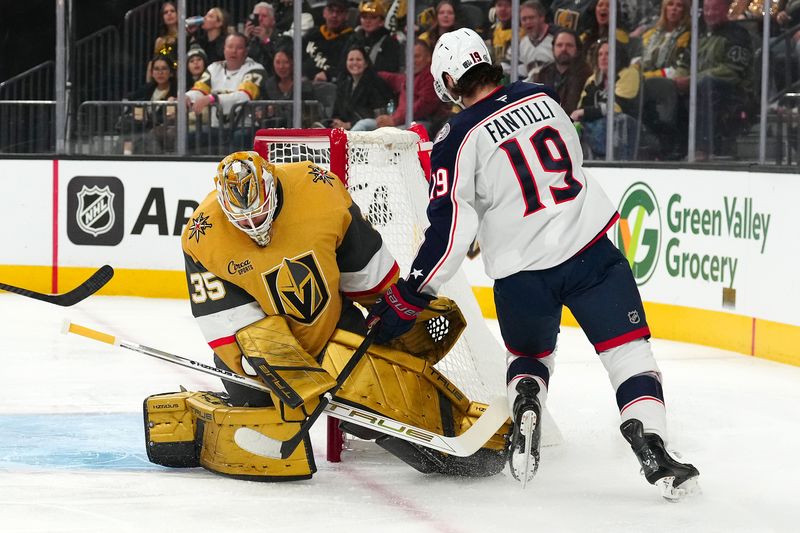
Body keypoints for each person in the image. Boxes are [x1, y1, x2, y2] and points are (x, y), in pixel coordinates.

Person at [367, 28, 700, 499]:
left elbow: (448, 234)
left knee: (530, 357)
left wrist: (409, 293)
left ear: (447, 79)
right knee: (629, 356)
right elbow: (571, 161)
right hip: (590, 253)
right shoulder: (544, 95)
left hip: (522, 274)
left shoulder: (455, 136)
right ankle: (652, 446)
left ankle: (527, 399)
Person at [674, 0, 753, 159]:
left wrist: (692, 80)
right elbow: (684, 63)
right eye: (707, 10)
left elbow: (732, 70)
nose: (709, 14)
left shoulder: (737, 34)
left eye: (714, 10)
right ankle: (671, 148)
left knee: (707, 85)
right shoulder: (699, 34)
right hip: (698, 86)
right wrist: (679, 79)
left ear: (725, 10)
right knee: (669, 88)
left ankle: (703, 148)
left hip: (734, 92)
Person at [186, 33, 266, 149]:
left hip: (244, 126)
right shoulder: (214, 68)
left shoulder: (256, 69)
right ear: (224, 49)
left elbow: (244, 96)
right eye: (230, 47)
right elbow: (200, 89)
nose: (233, 51)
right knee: (190, 138)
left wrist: (212, 98)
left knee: (239, 137)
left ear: (246, 50)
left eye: (239, 48)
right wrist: (187, 96)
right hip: (217, 127)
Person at [636, 0, 691, 159]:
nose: (674, 9)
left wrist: (646, 76)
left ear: (685, 10)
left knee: (656, 86)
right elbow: (638, 60)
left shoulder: (688, 35)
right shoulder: (651, 34)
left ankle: (665, 138)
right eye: (670, 4)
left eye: (679, 5)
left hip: (670, 81)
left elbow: (679, 69)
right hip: (644, 80)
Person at [571, 39, 640, 160]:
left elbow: (618, 107)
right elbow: (581, 107)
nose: (603, 57)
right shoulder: (593, 79)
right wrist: (583, 113)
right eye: (600, 54)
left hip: (632, 129)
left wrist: (586, 112)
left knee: (612, 122)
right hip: (602, 131)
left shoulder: (629, 74)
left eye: (608, 53)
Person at [375, 39, 451, 132]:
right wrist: (371, 72)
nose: (412, 61)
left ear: (428, 58)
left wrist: (394, 120)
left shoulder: (431, 76)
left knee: (389, 136)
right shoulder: (409, 77)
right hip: (400, 122)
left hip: (422, 123)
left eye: (417, 56)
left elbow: (424, 105)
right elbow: (393, 78)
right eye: (409, 57)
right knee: (365, 125)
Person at [330, 45, 393, 131]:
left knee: (362, 125)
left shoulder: (375, 83)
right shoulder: (344, 85)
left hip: (372, 127)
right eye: (351, 60)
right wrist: (337, 122)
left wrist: (348, 124)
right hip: (348, 128)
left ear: (366, 63)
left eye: (358, 59)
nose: (354, 63)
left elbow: (378, 115)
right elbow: (337, 111)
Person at [534, 28, 592, 116]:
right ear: (553, 49)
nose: (564, 49)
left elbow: (572, 106)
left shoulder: (585, 74)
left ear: (577, 50)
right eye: (559, 45)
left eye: (569, 45)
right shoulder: (544, 73)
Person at [302, 0, 355, 83]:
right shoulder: (312, 34)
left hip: (330, 87)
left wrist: (329, 75)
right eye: (331, 11)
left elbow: (349, 68)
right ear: (324, 12)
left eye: (339, 12)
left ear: (346, 15)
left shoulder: (352, 40)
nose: (334, 15)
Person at [346, 1, 403, 73]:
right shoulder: (353, 39)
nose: (368, 21)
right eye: (364, 17)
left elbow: (389, 72)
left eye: (373, 17)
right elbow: (342, 67)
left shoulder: (390, 43)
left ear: (382, 22)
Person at [510, 0, 555, 80]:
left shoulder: (556, 38)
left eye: (531, 18)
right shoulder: (521, 43)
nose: (528, 22)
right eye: (524, 19)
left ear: (542, 18)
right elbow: (507, 64)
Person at [244, 2, 285, 77]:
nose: (260, 19)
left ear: (273, 20)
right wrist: (245, 40)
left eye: (264, 16)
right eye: (257, 16)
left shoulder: (282, 38)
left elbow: (278, 62)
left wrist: (265, 40)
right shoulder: (251, 39)